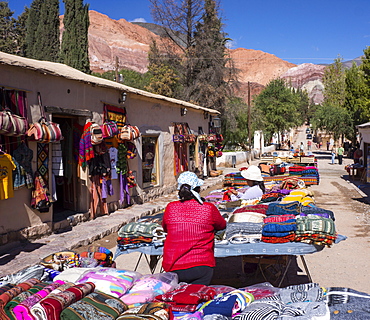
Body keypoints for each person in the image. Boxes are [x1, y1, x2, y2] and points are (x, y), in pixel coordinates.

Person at [162, 171, 226, 285]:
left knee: (175, 298)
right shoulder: (208, 208)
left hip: (173, 266)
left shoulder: (171, 208)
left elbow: (166, 228)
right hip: (201, 266)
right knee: (197, 297)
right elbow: (221, 225)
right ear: (198, 189)